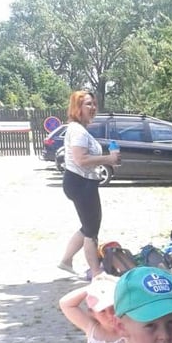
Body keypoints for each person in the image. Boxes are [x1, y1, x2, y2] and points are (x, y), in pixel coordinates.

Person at [58, 90, 121, 279]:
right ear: (77, 107)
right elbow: (81, 159)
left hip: (80, 182)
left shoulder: (79, 129)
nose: (93, 107)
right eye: (88, 104)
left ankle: (66, 261)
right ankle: (96, 272)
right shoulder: (77, 131)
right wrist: (109, 159)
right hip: (81, 183)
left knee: (87, 226)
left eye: (94, 103)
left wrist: (107, 160)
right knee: (92, 229)